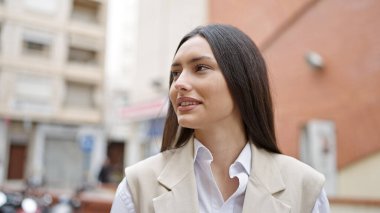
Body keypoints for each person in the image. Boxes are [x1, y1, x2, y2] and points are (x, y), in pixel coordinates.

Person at [111, 24, 330, 213]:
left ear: (242, 81)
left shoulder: (305, 187)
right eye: (176, 73)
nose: (179, 84)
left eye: (201, 68)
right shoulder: (138, 186)